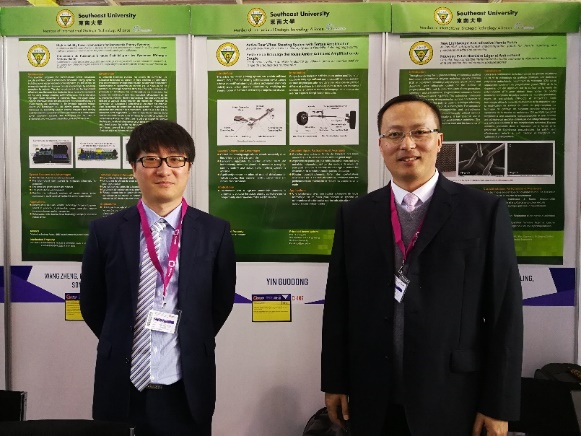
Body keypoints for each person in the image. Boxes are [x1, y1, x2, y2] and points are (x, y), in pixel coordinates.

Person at [321, 95, 523, 436]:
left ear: (439, 140)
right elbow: (338, 306)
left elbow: (505, 315)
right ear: (381, 144)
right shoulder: (355, 215)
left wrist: (498, 404)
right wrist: (334, 381)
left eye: (419, 132)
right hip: (371, 394)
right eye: (395, 134)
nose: (408, 144)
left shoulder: (483, 212)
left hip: (453, 395)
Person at [80, 120, 236, 436]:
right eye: (151, 159)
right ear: (134, 168)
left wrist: (191, 339)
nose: (164, 170)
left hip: (186, 386)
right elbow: (92, 305)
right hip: (121, 386)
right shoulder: (105, 231)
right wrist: (121, 339)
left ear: (188, 167)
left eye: (175, 159)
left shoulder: (214, 232)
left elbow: (219, 304)